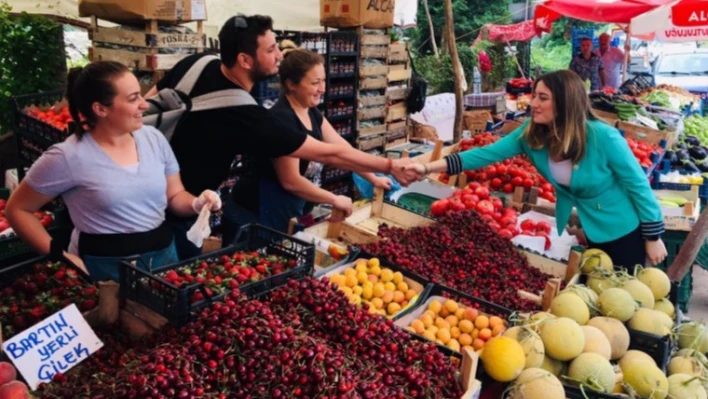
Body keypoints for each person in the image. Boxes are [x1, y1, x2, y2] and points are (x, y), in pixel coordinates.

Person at [147, 15, 416, 259]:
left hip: (151, 189)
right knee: (173, 282)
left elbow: (147, 105)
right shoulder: (251, 116)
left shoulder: (198, 62)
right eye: (270, 49)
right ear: (245, 60)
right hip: (182, 210)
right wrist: (389, 166)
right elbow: (324, 156)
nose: (279, 54)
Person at [406, 70, 668, 270]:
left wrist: (653, 236)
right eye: (534, 96)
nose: (533, 103)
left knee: (623, 300)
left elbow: (639, 185)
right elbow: (479, 156)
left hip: (624, 230)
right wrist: (426, 167)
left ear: (565, 103)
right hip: (590, 228)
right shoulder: (532, 135)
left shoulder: (603, 137)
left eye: (543, 98)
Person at [5, 61, 221, 281]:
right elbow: (17, 209)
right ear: (100, 109)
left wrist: (197, 203)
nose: (144, 105)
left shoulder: (153, 138)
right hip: (102, 269)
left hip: (163, 260)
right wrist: (62, 257)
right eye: (133, 98)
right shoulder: (68, 156)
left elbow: (175, 195)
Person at [230, 49, 392, 233]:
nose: (323, 88)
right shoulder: (283, 121)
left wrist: (373, 178)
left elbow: (343, 150)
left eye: (323, 80)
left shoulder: (311, 111)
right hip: (255, 215)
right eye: (315, 83)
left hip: (288, 208)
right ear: (292, 84)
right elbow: (290, 181)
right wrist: (333, 198)